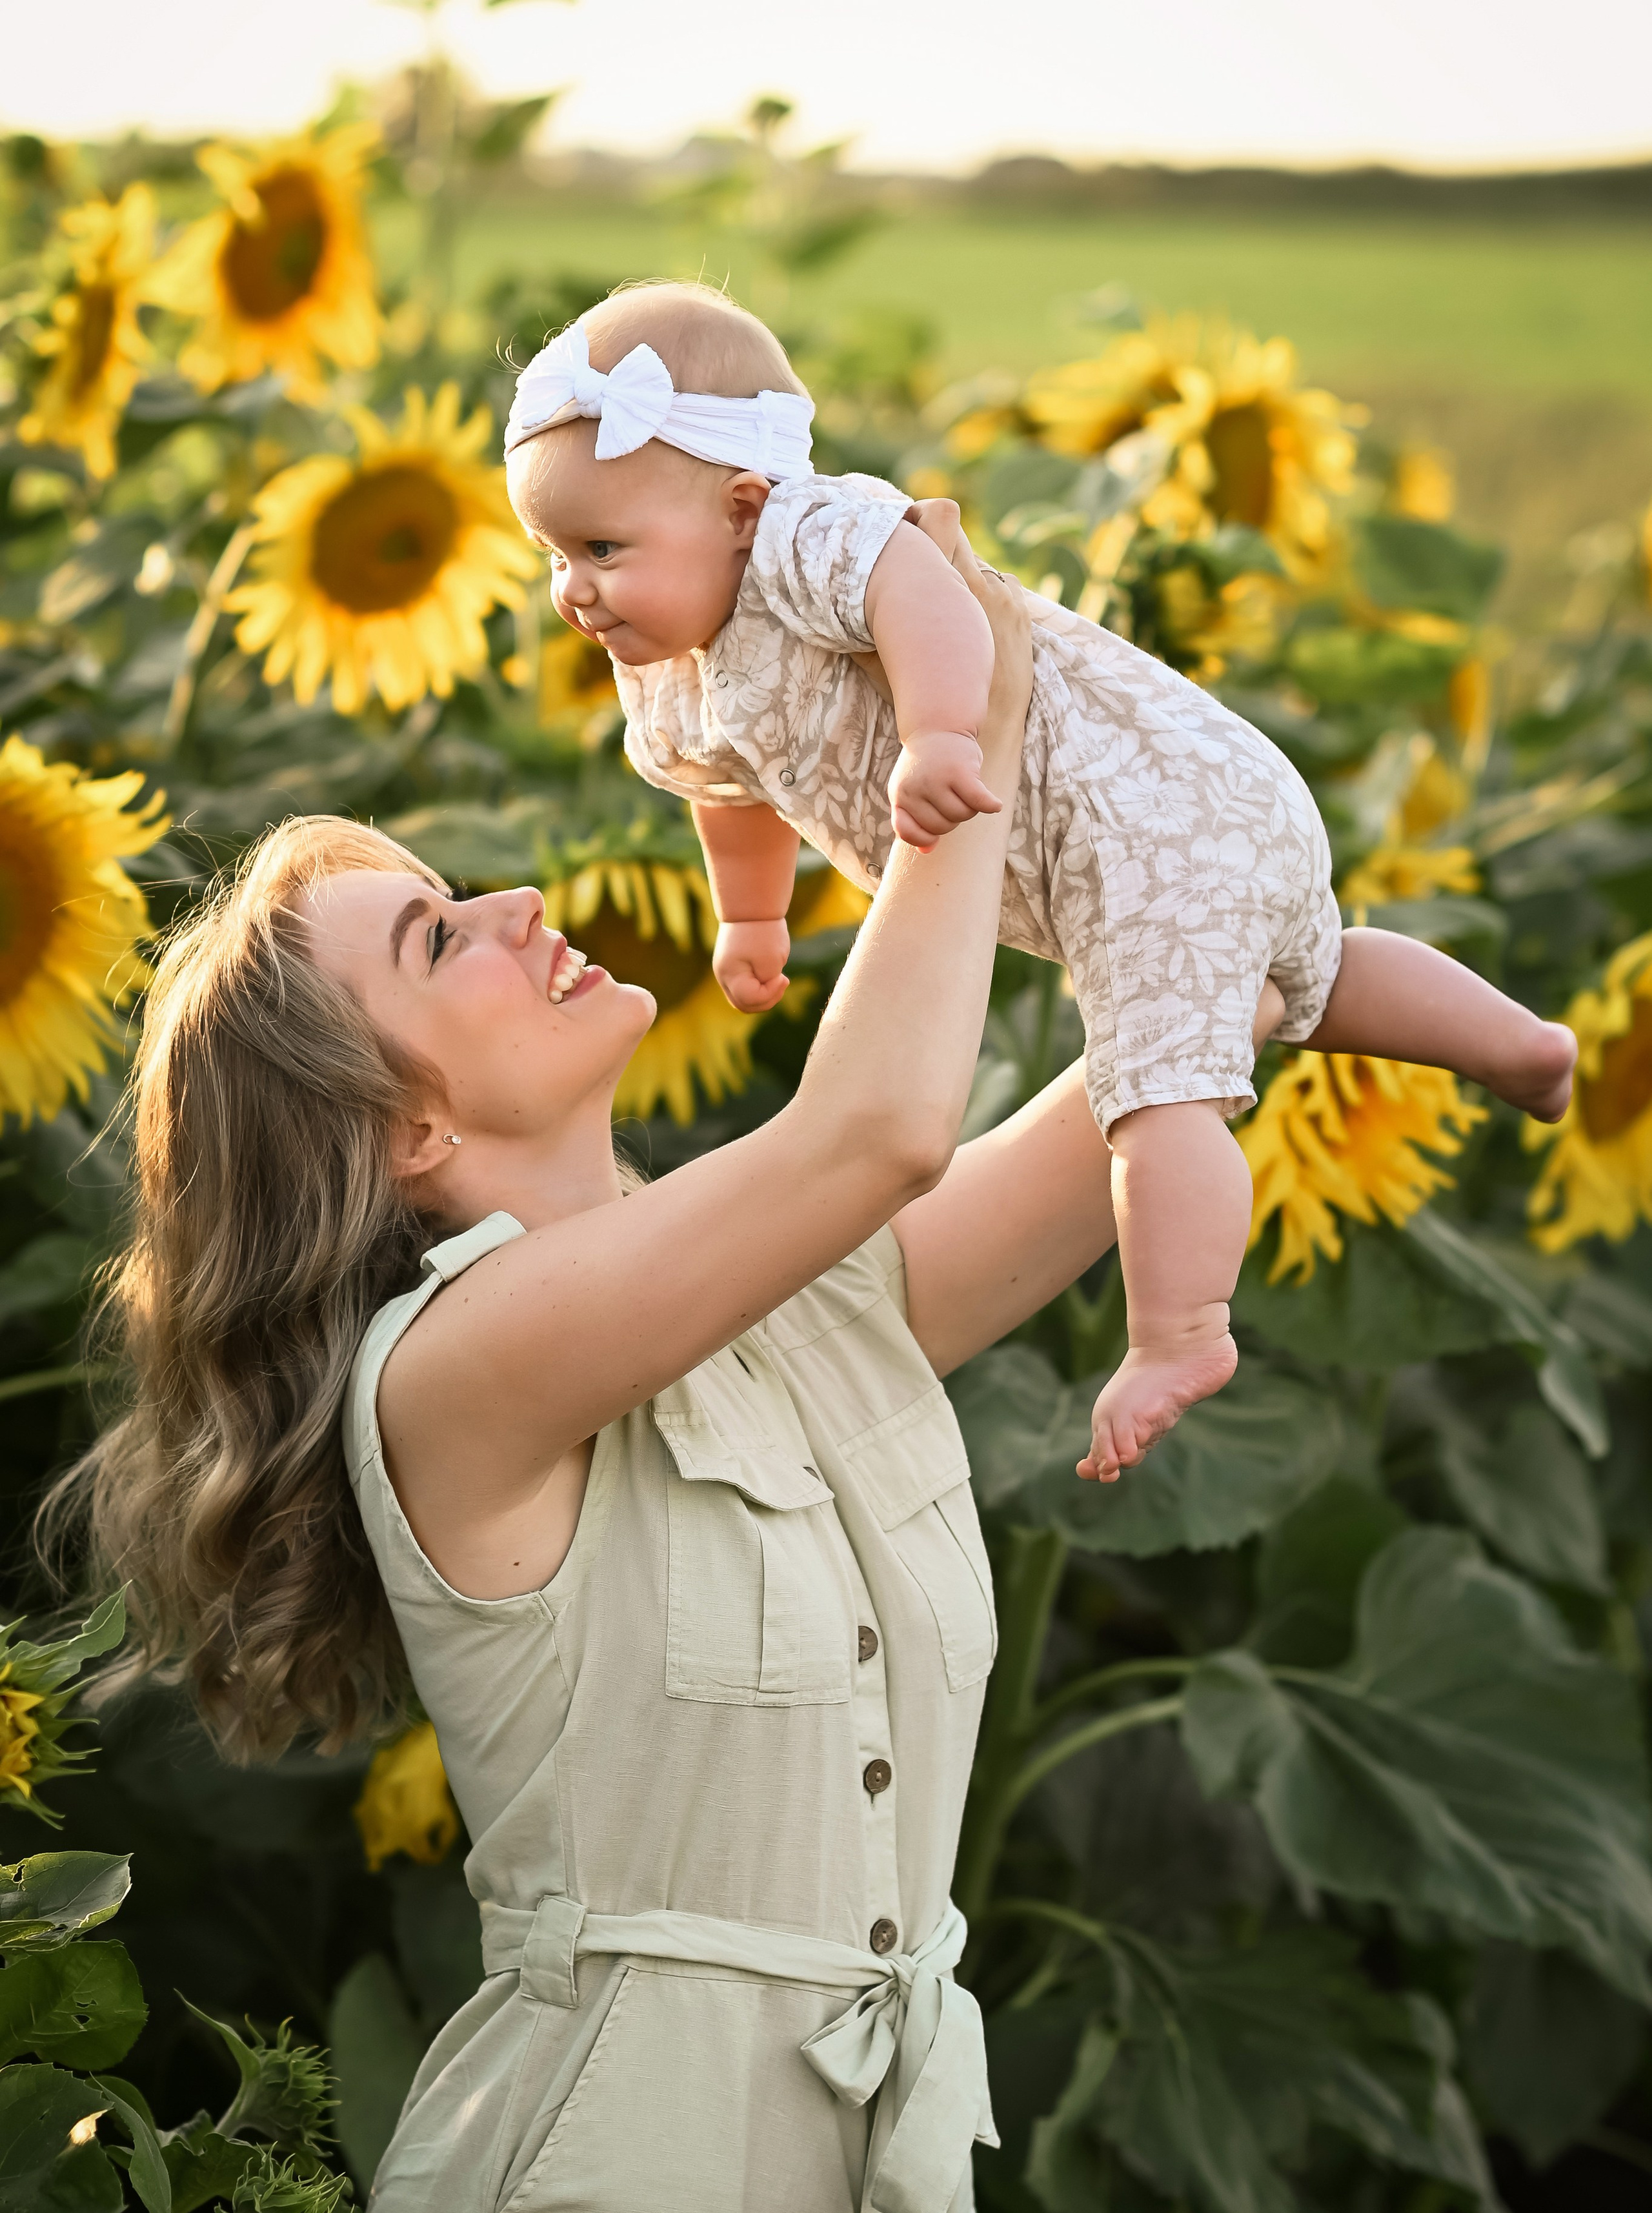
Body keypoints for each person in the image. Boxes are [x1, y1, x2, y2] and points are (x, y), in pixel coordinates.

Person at [53, 547, 1145, 2213]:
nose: (527, 907)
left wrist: (1020, 667)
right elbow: (883, 1126)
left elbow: (1171, 1064)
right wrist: (952, 738)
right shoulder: (447, 1373)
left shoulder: (792, 1299)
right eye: (440, 941)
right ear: (408, 1136)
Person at [502, 280, 1577, 1490]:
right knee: (1312, 975)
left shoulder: (807, 538)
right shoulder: (671, 667)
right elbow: (729, 791)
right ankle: (1522, 1048)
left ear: (744, 506)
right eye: (554, 555)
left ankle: (1181, 1331)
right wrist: (751, 915)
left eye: (602, 549)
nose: (574, 591)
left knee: (1156, 1092)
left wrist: (945, 736)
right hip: (1145, 838)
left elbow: (933, 594)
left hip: (1142, 816)